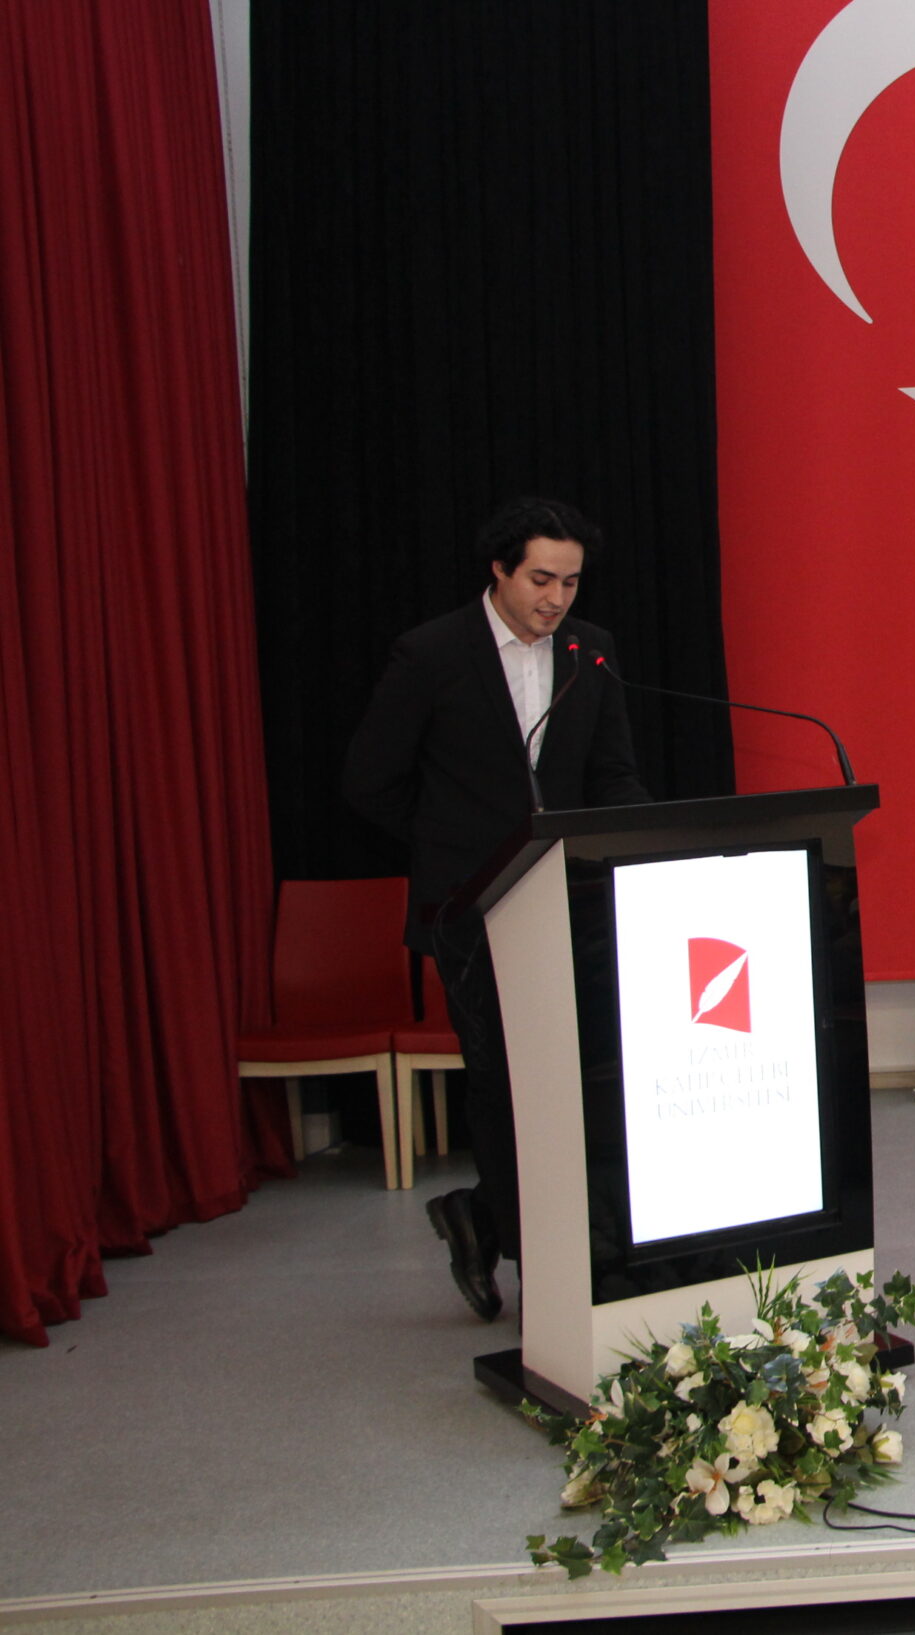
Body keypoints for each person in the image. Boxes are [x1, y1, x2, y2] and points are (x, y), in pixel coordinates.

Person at [343, 498, 650, 1320]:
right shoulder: (433, 652)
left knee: (583, 1078)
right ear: (500, 569)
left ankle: (490, 1218)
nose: (556, 599)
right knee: (506, 1082)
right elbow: (369, 778)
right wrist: (452, 844)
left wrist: (647, 840)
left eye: (571, 582)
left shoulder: (590, 650)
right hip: (471, 911)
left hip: (575, 902)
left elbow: (613, 773)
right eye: (541, 579)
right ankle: (538, 1257)